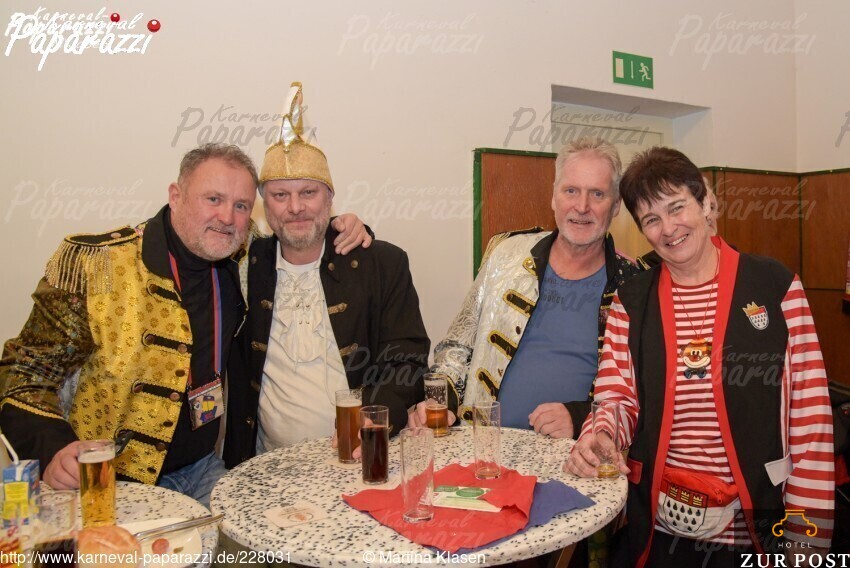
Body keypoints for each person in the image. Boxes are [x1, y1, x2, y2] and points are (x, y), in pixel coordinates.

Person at [0, 143, 370, 507]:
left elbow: (298, 236)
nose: (227, 217)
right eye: (213, 199)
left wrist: (343, 228)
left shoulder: (244, 258)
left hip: (204, 470)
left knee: (257, 539)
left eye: (241, 205)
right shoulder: (98, 265)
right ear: (176, 196)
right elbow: (23, 372)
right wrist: (55, 449)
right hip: (111, 483)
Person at [565, 147, 834, 566]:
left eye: (677, 207)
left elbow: (810, 420)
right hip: (660, 531)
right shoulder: (632, 301)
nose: (668, 228)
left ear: (707, 202)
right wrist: (600, 434)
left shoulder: (775, 286)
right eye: (651, 219)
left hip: (757, 534)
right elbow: (616, 398)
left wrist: (808, 545)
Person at [225, 83, 429, 464]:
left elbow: (408, 361)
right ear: (264, 205)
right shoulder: (243, 265)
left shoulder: (382, 264)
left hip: (358, 459)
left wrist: (376, 416)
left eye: (309, 193)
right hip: (267, 467)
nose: (295, 207)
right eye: (280, 195)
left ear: (330, 198)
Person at [420, 138, 640, 437]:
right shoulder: (505, 254)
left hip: (575, 455)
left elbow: (639, 394)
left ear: (615, 206)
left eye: (597, 194)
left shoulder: (634, 285)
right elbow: (457, 347)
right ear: (554, 197)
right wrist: (438, 401)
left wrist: (580, 418)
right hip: (482, 449)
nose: (582, 206)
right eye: (571, 190)